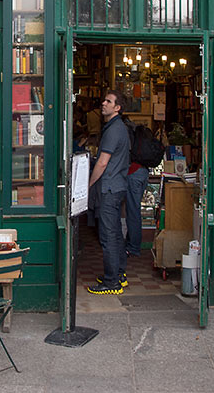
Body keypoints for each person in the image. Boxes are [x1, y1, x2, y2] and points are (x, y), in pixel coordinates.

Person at [86, 90, 130, 295]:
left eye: (108, 101)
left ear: (117, 108)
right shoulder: (117, 127)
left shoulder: (113, 130)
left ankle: (112, 282)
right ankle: (119, 275)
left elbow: (103, 162)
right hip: (117, 185)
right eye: (104, 99)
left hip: (109, 188)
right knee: (115, 234)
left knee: (108, 235)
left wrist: (89, 184)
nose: (103, 103)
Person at [123, 116, 148, 262]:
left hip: (134, 173)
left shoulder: (125, 131)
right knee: (134, 209)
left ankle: (133, 247)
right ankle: (131, 242)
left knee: (133, 211)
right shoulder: (135, 129)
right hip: (143, 172)